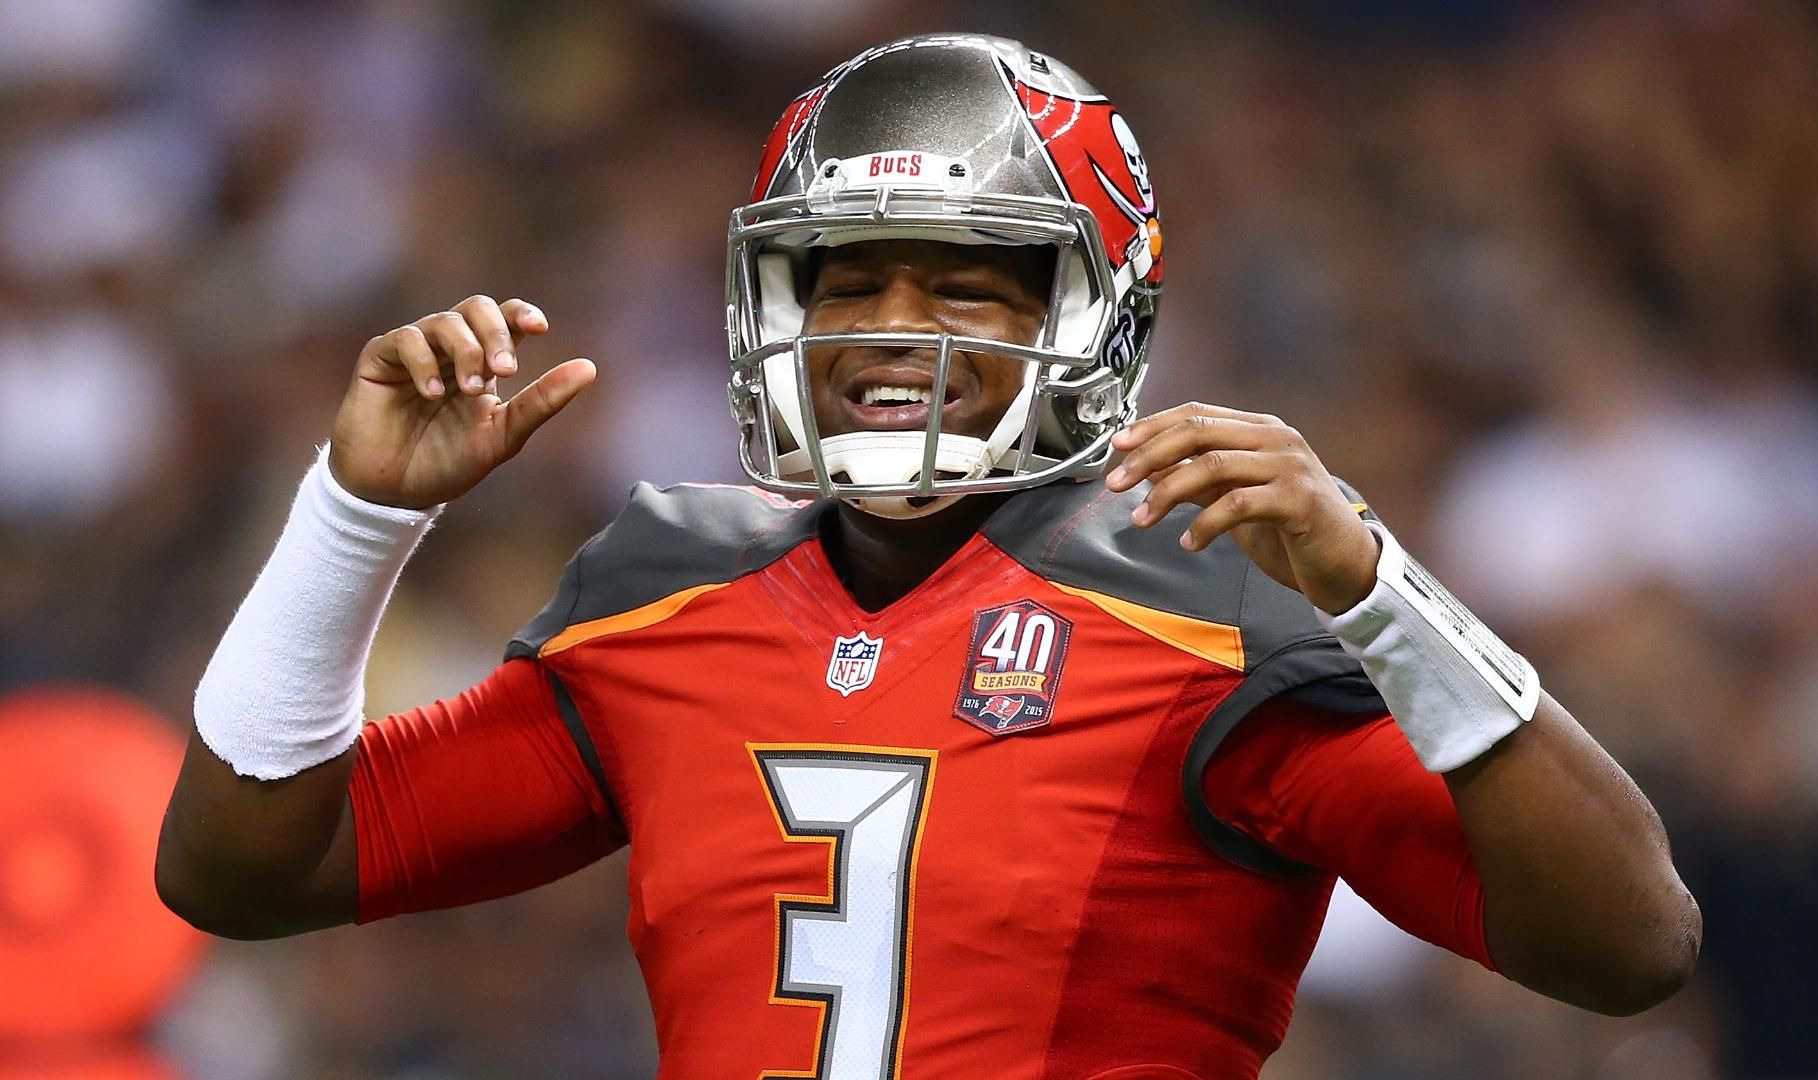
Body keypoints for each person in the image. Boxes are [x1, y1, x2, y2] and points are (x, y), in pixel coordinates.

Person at [157, 33, 1699, 1079]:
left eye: (966, 284)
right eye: (846, 280)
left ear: (1094, 317)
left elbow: (1633, 941)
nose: (893, 329)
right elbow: (242, 868)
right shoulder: (665, 592)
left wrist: (1376, 589)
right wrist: (356, 515)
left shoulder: (1209, 613)